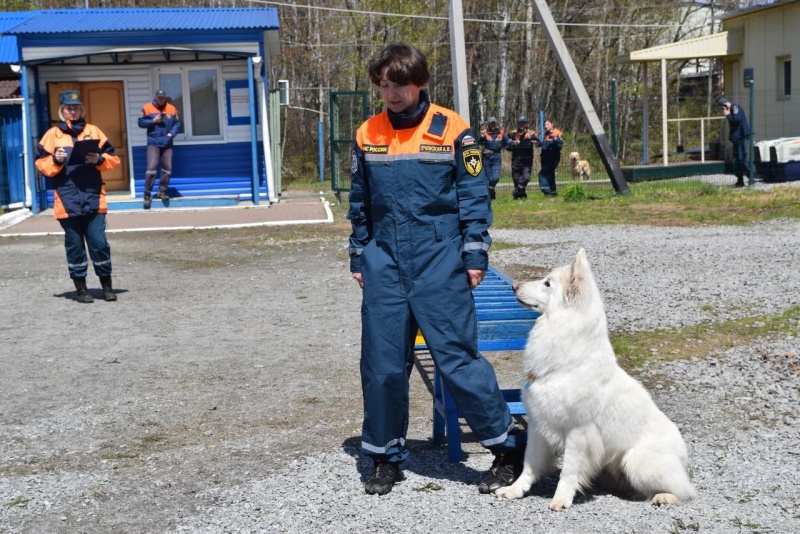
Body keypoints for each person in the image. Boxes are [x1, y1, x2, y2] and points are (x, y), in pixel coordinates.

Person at [347, 43, 525, 497]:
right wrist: (359, 254)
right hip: (384, 263)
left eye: (399, 85)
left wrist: (474, 255)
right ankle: (385, 456)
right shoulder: (367, 132)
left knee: (456, 361)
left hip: (439, 262)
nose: (390, 94)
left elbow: (474, 197)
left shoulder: (454, 131)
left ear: (419, 83)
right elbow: (359, 201)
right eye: (384, 86)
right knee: (382, 365)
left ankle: (508, 448)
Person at [35, 90, 121, 303]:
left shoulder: (94, 131)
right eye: (68, 108)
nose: (72, 111)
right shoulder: (52, 135)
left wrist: (99, 159)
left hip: (93, 195)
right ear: (62, 110)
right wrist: (55, 159)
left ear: (81, 109)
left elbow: (113, 158)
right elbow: (41, 165)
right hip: (67, 198)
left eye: (76, 107)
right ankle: (81, 290)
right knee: (74, 245)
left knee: (99, 243)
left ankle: (107, 287)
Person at [138, 89, 180, 208]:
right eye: (159, 97)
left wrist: (171, 134)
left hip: (167, 142)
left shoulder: (171, 108)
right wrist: (153, 121)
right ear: (155, 97)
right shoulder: (147, 107)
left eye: (163, 97)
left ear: (165, 97)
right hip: (153, 142)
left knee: (167, 168)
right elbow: (140, 122)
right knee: (151, 167)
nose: (161, 99)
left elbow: (177, 124)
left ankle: (162, 191)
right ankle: (147, 194)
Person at [717, 96, 750, 187]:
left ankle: (751, 176)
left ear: (725, 105)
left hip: (742, 137)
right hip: (736, 138)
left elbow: (737, 119)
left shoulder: (735, 108)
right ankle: (740, 180)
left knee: (741, 158)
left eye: (722, 107)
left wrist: (727, 114)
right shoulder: (731, 110)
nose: (722, 110)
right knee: (736, 160)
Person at [506, 116, 537, 199]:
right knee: (516, 178)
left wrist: (535, 142)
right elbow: (507, 146)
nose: (522, 125)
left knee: (526, 177)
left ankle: (517, 191)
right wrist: (513, 143)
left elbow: (538, 142)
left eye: (523, 123)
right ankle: (520, 195)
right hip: (516, 159)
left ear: (526, 124)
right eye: (520, 123)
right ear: (517, 124)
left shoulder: (531, 133)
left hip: (527, 160)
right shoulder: (513, 133)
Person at [478, 117, 509, 200]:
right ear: (488, 124)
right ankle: (490, 196)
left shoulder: (501, 133)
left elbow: (508, 141)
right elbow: (478, 142)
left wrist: (512, 143)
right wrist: (481, 137)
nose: (492, 125)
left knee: (495, 177)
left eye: (494, 123)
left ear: (496, 124)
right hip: (486, 157)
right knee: (487, 178)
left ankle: (491, 188)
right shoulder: (484, 133)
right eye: (491, 123)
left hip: (496, 157)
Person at [536, 119, 564, 195]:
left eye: (547, 124)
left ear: (552, 124)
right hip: (545, 158)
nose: (546, 126)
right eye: (545, 125)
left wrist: (554, 138)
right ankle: (553, 191)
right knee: (550, 175)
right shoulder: (546, 135)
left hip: (553, 159)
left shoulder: (557, 133)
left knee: (542, 175)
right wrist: (538, 143)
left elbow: (560, 145)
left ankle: (547, 192)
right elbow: (544, 144)